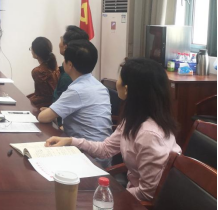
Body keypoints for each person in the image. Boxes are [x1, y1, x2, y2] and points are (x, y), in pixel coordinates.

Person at [45, 58, 181, 202]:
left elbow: (148, 193)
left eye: (119, 78)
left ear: (127, 89)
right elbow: (105, 149)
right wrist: (70, 141)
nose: (117, 82)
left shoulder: (149, 134)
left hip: (145, 206)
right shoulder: (134, 119)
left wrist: (111, 198)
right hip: (132, 194)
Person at [38, 39, 113, 167]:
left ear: (70, 65)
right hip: (103, 155)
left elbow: (43, 117)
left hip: (88, 157)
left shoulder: (77, 90)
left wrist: (51, 112)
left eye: (64, 59)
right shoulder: (99, 86)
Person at [53, 26, 89, 103]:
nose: (59, 43)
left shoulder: (68, 77)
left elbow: (60, 107)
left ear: (65, 47)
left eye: (61, 40)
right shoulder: (81, 69)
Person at [26, 37, 60, 109]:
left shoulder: (38, 71)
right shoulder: (56, 67)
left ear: (36, 54)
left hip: (45, 107)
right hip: (55, 103)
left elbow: (45, 97)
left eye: (31, 49)